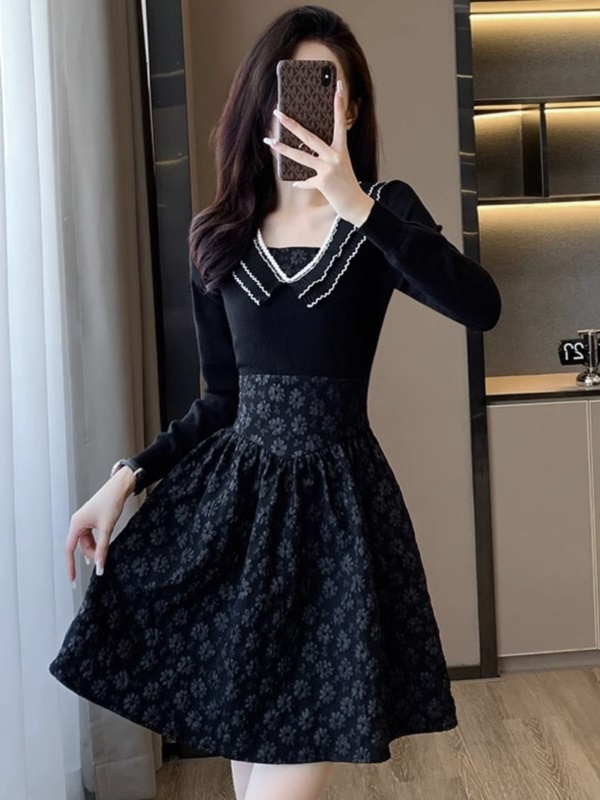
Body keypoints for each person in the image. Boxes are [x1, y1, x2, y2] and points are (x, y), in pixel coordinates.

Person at [49, 5, 502, 800]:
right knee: (251, 766)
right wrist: (125, 478)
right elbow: (221, 401)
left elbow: (481, 306)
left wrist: (357, 204)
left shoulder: (383, 212)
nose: (308, 107)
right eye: (292, 88)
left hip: (337, 523)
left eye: (329, 88)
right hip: (238, 524)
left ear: (350, 110)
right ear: (262, 104)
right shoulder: (218, 234)